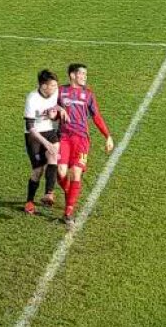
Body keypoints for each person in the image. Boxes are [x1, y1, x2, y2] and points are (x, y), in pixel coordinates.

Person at [55, 63, 114, 224]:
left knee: (75, 173)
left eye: (85, 74)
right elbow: (49, 108)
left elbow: (96, 116)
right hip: (64, 137)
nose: (84, 76)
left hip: (81, 139)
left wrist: (107, 136)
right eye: (81, 74)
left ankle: (68, 212)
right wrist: (57, 108)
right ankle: (69, 191)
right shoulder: (60, 91)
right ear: (72, 75)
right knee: (60, 172)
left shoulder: (88, 94)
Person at [23, 69, 61, 215]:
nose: (55, 88)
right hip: (34, 135)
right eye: (52, 86)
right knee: (38, 170)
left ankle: (49, 193)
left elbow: (56, 107)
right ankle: (29, 202)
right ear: (43, 86)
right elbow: (30, 128)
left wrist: (59, 110)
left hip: (49, 131)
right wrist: (46, 144)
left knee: (53, 156)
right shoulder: (32, 99)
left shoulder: (55, 92)